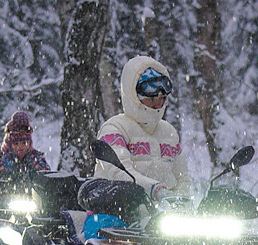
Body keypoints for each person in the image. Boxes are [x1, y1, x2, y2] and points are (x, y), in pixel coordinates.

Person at [79, 55, 190, 219]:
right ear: (134, 96)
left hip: (164, 221)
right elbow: (119, 173)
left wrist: (180, 204)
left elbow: (183, 178)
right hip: (116, 214)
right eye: (151, 99)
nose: (157, 104)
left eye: (162, 99)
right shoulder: (115, 128)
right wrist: (155, 190)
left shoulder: (169, 132)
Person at [0, 111, 50, 182]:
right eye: (16, 144)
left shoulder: (37, 159)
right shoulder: (2, 161)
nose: (21, 146)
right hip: (9, 192)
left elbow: (47, 178)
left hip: (33, 192)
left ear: (29, 144)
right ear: (9, 145)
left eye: (24, 143)